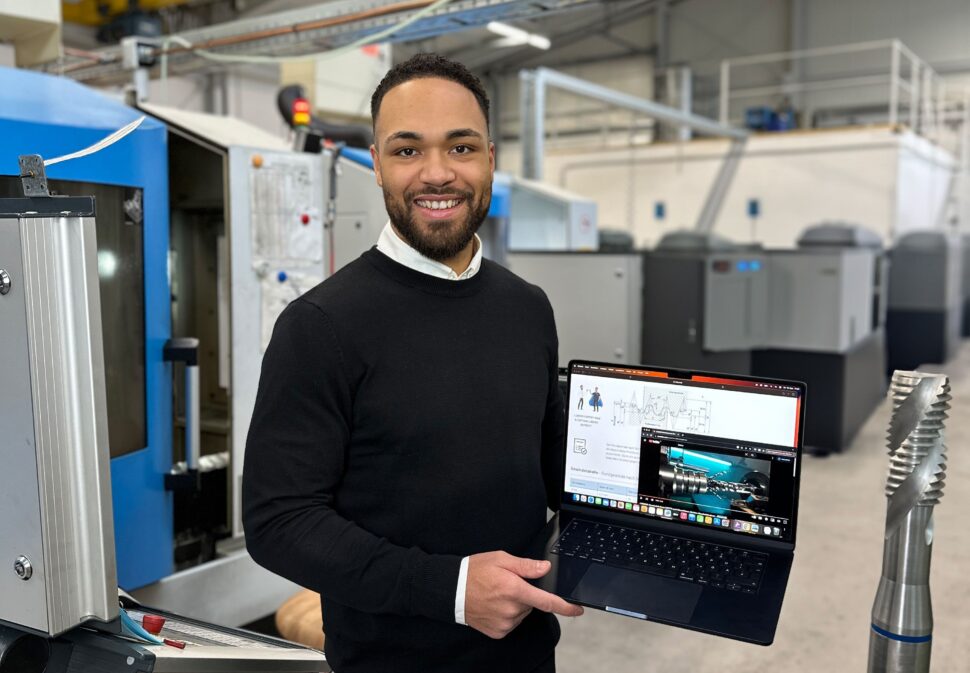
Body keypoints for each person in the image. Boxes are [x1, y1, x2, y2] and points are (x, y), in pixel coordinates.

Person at [243, 53, 582, 673]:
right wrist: (451, 590)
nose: (437, 173)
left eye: (461, 147)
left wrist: (669, 501)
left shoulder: (527, 307)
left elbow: (549, 468)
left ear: (490, 159)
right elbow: (279, 521)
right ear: (376, 164)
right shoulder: (321, 326)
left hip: (529, 657)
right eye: (407, 150)